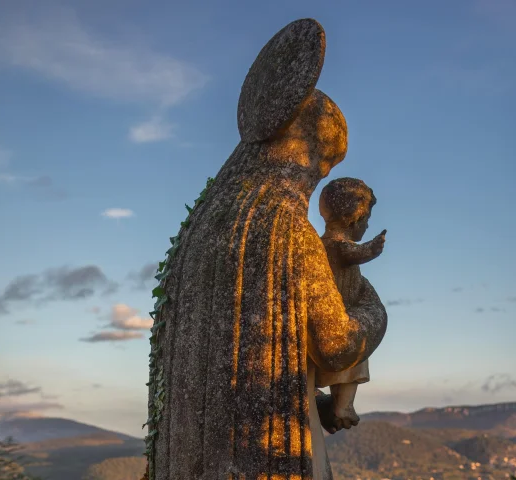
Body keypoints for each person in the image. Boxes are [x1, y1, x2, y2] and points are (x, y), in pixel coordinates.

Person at [147, 19, 388, 480]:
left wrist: (306, 396)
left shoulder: (198, 229)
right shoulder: (288, 226)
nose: (315, 178)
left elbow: (224, 373)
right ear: (306, 154)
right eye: (321, 165)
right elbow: (337, 346)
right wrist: (373, 313)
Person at [316, 177, 387, 432]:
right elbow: (352, 253)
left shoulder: (321, 246)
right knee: (358, 351)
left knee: (356, 354)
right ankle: (343, 405)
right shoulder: (337, 245)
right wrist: (373, 248)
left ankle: (340, 404)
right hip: (342, 318)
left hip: (340, 315)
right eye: (366, 219)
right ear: (353, 219)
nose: (367, 225)